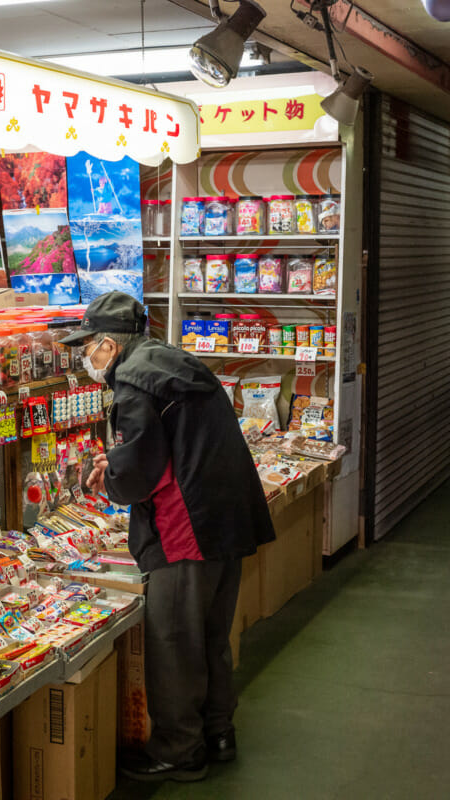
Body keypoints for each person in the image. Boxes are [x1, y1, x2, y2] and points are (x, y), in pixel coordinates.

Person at [60, 291, 276, 783]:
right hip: (227, 514)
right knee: (212, 634)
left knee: (174, 638)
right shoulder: (173, 362)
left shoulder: (133, 383)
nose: (84, 357)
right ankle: (218, 732)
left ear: (109, 346)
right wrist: (120, 463)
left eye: (87, 345)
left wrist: (112, 476)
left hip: (186, 529)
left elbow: (139, 472)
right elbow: (165, 447)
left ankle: (179, 752)